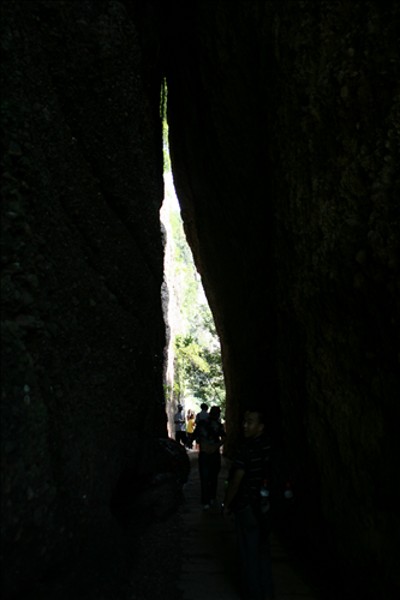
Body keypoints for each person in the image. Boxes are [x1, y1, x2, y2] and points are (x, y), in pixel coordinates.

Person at [222, 409, 274, 600]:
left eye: (250, 422)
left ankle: (253, 594)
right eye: (244, 421)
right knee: (263, 552)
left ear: (260, 426)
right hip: (266, 507)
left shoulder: (246, 449)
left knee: (248, 554)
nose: (245, 425)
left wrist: (227, 504)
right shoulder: (271, 447)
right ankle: (267, 593)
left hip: (248, 507)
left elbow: (237, 479)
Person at [195, 405, 226, 509]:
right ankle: (210, 498)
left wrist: (210, 446)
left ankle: (207, 500)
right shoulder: (215, 424)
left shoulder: (203, 423)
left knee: (207, 477)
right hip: (211, 453)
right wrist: (214, 446)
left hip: (207, 453)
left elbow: (195, 437)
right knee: (211, 476)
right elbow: (224, 437)